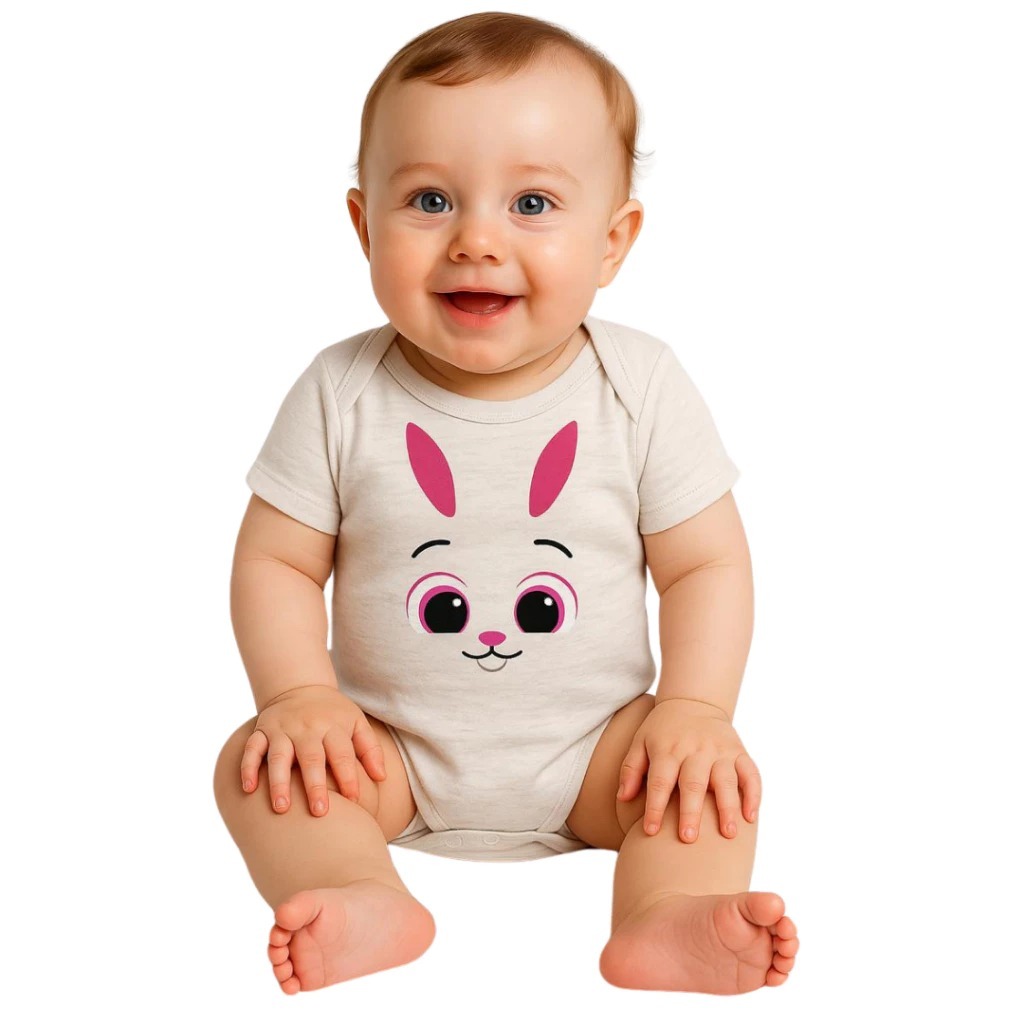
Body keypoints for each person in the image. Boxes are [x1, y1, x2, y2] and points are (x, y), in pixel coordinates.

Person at [213, 11, 799, 996]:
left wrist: (696, 711)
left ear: (612, 241)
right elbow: (276, 560)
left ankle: (663, 911)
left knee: (709, 782)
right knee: (256, 763)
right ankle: (357, 888)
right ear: (363, 225)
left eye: (532, 203)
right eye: (430, 200)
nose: (476, 240)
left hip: (602, 754)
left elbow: (705, 563)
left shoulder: (639, 386)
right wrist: (299, 698)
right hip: (384, 753)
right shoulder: (340, 391)